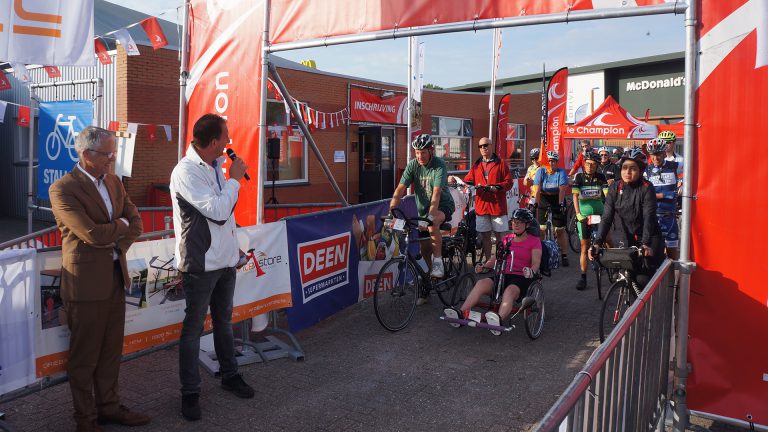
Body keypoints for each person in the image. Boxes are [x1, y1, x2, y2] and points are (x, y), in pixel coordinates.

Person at [49, 126, 147, 432]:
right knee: (84, 358)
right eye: (107, 153)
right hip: (85, 285)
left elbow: (137, 223)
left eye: (113, 152)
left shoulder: (115, 182)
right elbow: (89, 234)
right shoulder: (63, 189)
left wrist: (115, 238)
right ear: (86, 155)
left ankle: (109, 408)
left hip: (116, 279)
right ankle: (86, 420)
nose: (112, 158)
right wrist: (118, 226)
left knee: (109, 353)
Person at [170, 114, 255, 422]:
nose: (228, 144)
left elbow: (225, 217)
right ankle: (190, 393)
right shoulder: (186, 172)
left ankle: (230, 375)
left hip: (224, 260)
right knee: (193, 329)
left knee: (224, 321)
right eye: (226, 138)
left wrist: (234, 247)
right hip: (200, 263)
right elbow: (218, 212)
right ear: (214, 141)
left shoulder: (216, 166)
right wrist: (235, 179)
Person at [448, 208, 541, 336]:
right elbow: (496, 258)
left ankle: (498, 319)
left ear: (528, 225)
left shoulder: (534, 242)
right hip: (503, 274)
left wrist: (531, 271)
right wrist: (484, 266)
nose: (516, 224)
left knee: (509, 292)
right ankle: (460, 312)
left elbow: (536, 262)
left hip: (521, 277)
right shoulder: (507, 239)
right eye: (514, 222)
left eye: (520, 222)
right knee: (481, 283)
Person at [390, 134, 455, 303]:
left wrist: (431, 215)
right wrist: (391, 210)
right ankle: (428, 283)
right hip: (422, 210)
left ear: (430, 150)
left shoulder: (438, 165)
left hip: (443, 205)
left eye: (423, 153)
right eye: (417, 152)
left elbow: (436, 193)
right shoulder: (413, 165)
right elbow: (400, 189)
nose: (419, 156)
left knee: (432, 223)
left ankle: (439, 263)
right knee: (425, 250)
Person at [590, 147, 665, 288]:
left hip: (649, 236)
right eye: (624, 168)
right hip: (626, 236)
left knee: (643, 280)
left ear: (641, 171)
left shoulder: (647, 187)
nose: (627, 172)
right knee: (627, 275)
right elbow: (606, 217)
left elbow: (649, 217)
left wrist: (646, 243)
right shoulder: (615, 188)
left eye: (633, 168)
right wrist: (597, 242)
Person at [450, 137, 512, 263]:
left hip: (497, 206)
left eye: (485, 145)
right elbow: (468, 180)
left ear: (491, 145)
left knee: (500, 235)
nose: (483, 148)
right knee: (485, 236)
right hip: (482, 206)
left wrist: (498, 187)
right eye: (480, 146)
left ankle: (500, 262)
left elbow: (509, 182)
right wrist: (454, 179)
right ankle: (489, 261)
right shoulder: (477, 164)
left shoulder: (501, 163)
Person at [572, 150, 608, 290]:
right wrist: (578, 214)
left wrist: (610, 209)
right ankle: (583, 277)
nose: (589, 167)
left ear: (597, 166)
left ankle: (613, 267)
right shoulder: (579, 177)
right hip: (584, 216)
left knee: (609, 239)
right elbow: (575, 196)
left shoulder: (601, 177)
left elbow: (607, 194)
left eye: (593, 165)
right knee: (584, 247)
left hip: (600, 213)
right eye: (587, 164)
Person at [644, 138, 680, 260]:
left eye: (658, 154)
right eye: (653, 155)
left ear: (664, 153)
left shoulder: (676, 166)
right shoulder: (646, 170)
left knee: (672, 253)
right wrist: (664, 195)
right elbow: (644, 194)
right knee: (653, 252)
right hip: (652, 217)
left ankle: (676, 279)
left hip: (669, 217)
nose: (655, 158)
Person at [532, 151, 570, 266]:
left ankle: (564, 255)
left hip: (557, 197)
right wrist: (536, 204)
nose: (551, 163)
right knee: (541, 229)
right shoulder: (541, 171)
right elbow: (537, 190)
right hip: (543, 197)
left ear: (556, 162)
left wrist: (561, 204)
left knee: (559, 230)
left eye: (553, 161)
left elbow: (562, 189)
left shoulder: (561, 172)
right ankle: (541, 254)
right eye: (548, 161)